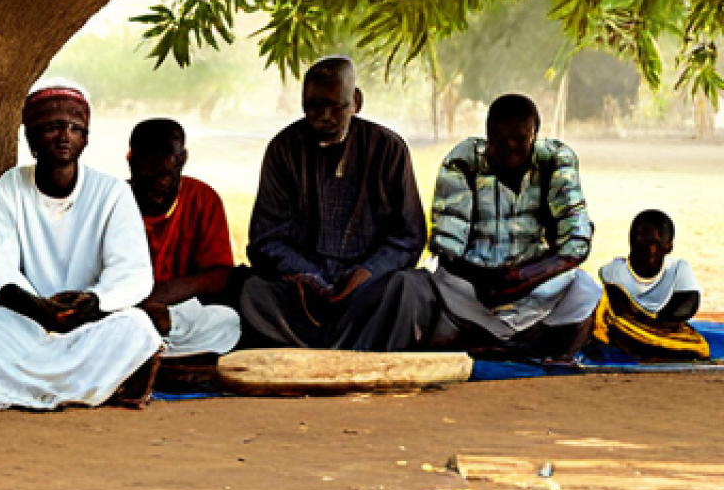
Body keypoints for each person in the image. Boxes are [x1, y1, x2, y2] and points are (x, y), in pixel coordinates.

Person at [0, 79, 164, 411]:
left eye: (74, 128)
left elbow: (133, 273)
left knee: (138, 327)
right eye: (51, 127)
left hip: (93, 321)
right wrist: (39, 308)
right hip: (29, 320)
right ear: (31, 138)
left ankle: (36, 387)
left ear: (86, 139)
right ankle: (90, 384)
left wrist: (94, 301)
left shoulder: (111, 193)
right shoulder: (9, 188)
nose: (64, 136)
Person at [239, 57, 430, 350]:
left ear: (356, 101)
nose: (324, 116)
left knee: (408, 288)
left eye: (336, 106)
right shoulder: (283, 150)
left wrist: (367, 272)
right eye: (314, 106)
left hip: (368, 290)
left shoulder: (388, 149)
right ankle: (306, 357)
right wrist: (309, 277)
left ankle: (366, 356)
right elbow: (266, 238)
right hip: (302, 292)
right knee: (253, 291)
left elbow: (409, 235)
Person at [428, 93, 601, 358]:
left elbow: (577, 243)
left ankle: (518, 348)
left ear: (534, 133)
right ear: (488, 134)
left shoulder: (555, 160)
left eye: (519, 139)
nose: (510, 147)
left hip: (535, 287)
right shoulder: (463, 162)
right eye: (501, 139)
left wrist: (523, 277)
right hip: (475, 292)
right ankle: (518, 346)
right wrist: (488, 284)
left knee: (585, 288)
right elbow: (447, 250)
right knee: (436, 283)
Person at [127, 118, 241, 360]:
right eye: (148, 178)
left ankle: (150, 355)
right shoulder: (114, 200)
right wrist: (140, 303)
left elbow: (219, 277)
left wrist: (164, 302)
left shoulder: (203, 198)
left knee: (227, 321)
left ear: (182, 160)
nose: (158, 186)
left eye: (166, 176)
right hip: (129, 311)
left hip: (179, 316)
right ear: (131, 163)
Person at [592, 209, 709, 360]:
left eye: (655, 243)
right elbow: (610, 305)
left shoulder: (678, 268)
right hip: (627, 326)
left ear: (669, 246)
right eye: (641, 240)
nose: (649, 249)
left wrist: (659, 322)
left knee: (698, 347)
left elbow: (689, 302)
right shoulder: (615, 270)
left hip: (665, 330)